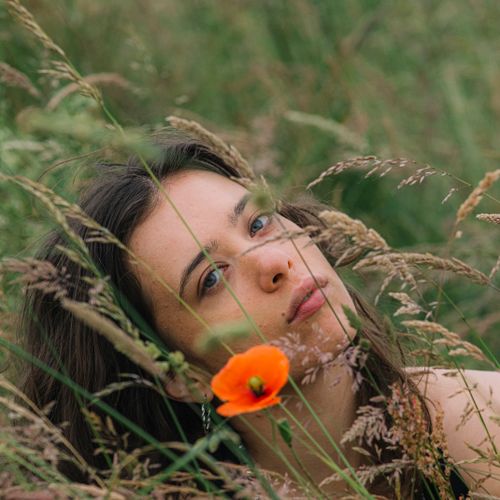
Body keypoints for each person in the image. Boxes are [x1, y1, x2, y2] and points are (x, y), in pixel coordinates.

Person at [19, 139, 499, 497]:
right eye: (211, 277)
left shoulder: (479, 419)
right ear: (179, 375)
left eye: (259, 223)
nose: (273, 262)